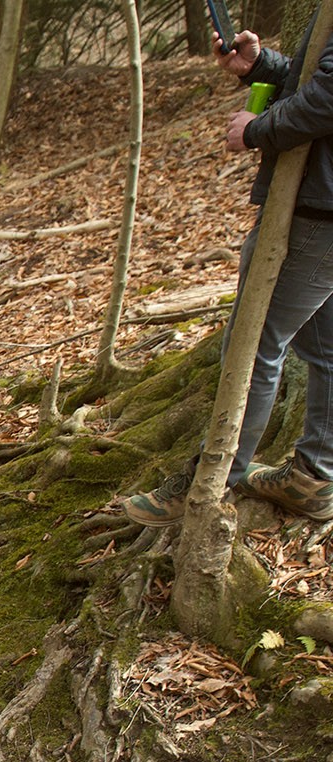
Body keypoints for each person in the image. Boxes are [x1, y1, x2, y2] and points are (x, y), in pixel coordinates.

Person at [124, 16, 333, 525]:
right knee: (323, 348)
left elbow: (329, 97)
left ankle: (212, 479)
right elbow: (317, 78)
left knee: (252, 342)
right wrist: (263, 66)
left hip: (317, 213)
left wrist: (259, 129)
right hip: (321, 205)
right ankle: (315, 477)